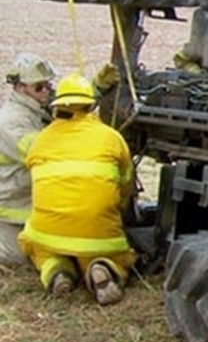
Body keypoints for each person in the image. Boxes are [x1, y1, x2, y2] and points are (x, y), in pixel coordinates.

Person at [18, 72, 135, 305]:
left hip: (46, 231)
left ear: (58, 107)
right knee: (117, 257)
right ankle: (103, 267)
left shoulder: (40, 140)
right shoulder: (111, 138)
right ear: (91, 106)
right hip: (99, 235)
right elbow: (125, 186)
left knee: (42, 252)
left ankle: (57, 272)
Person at [0, 53, 56, 266]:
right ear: (20, 87)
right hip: (11, 214)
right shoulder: (11, 122)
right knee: (22, 256)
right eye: (39, 87)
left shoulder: (36, 109)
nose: (47, 91)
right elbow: (42, 152)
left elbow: (74, 106)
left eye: (48, 85)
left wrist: (97, 89)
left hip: (31, 208)